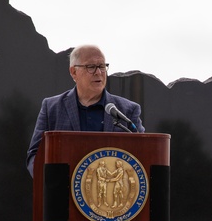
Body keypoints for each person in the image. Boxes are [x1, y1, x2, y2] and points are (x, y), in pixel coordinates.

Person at [26, 44, 145, 176]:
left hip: (111, 190)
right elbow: (34, 154)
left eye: (101, 66)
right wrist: (46, 180)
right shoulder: (52, 108)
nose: (98, 72)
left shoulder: (127, 110)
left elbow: (144, 154)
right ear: (73, 72)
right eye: (91, 67)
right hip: (63, 192)